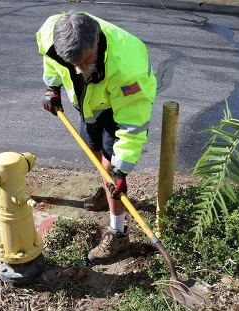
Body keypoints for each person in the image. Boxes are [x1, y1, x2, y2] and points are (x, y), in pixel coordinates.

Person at [36, 12, 157, 263]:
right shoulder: (52, 33)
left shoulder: (127, 69)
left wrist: (121, 173)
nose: (79, 67)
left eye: (85, 60)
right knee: (94, 151)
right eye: (74, 63)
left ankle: (119, 233)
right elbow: (50, 60)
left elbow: (132, 126)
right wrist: (53, 86)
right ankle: (106, 189)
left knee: (111, 168)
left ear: (98, 42)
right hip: (90, 100)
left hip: (120, 105)